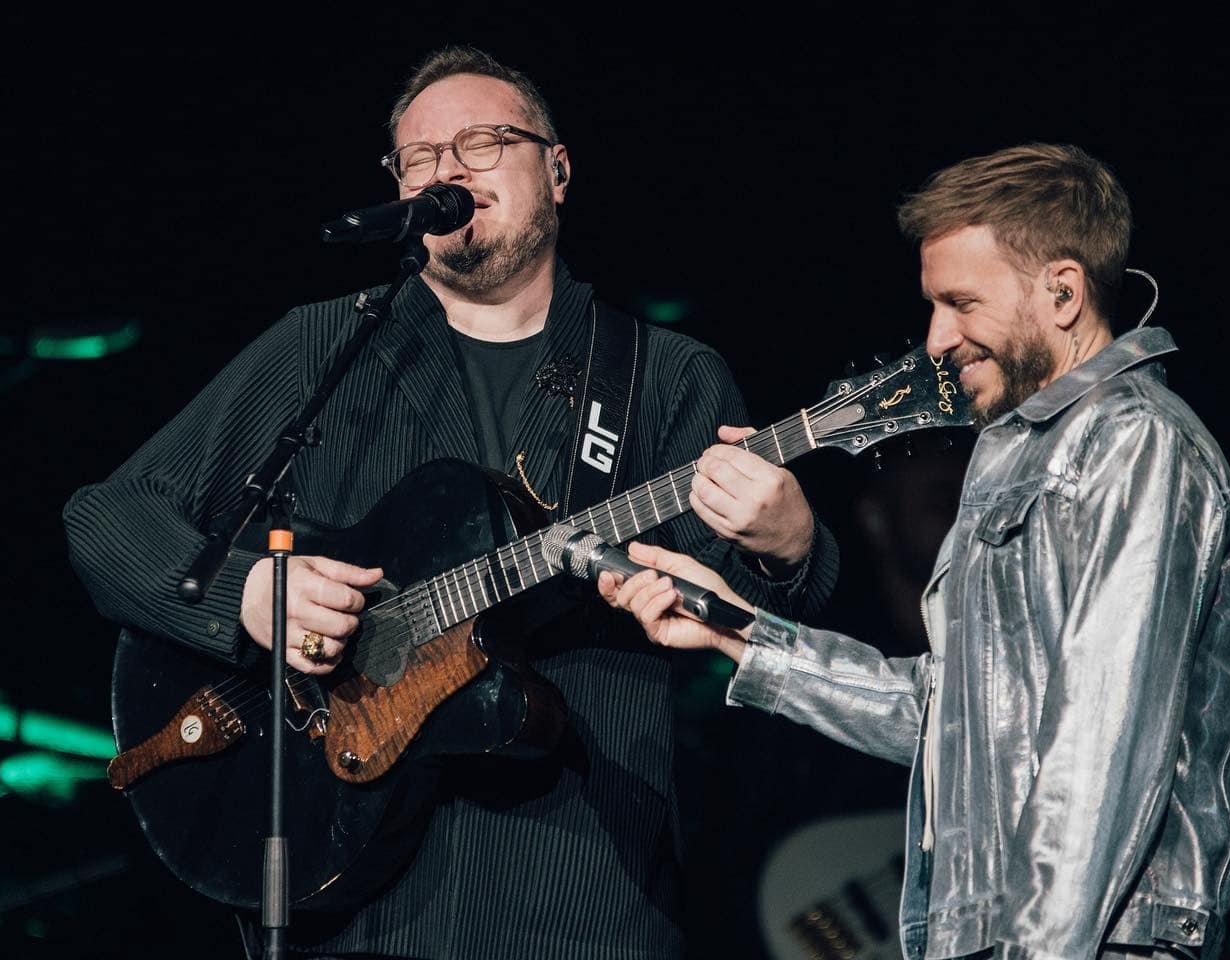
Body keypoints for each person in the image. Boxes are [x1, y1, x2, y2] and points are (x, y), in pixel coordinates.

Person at [62, 44, 839, 960]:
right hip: (342, 887)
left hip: (582, 886)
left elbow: (747, 627)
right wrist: (248, 598)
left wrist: (788, 547)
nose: (449, 170)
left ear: (557, 170)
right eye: (421, 158)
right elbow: (108, 516)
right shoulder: (324, 346)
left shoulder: (665, 376)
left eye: (482, 142)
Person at [598, 143, 1230, 960]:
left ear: (1062, 291)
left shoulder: (1134, 446)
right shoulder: (1016, 455)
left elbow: (1101, 751)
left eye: (960, 303)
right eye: (932, 305)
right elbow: (952, 717)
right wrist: (731, 629)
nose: (935, 339)